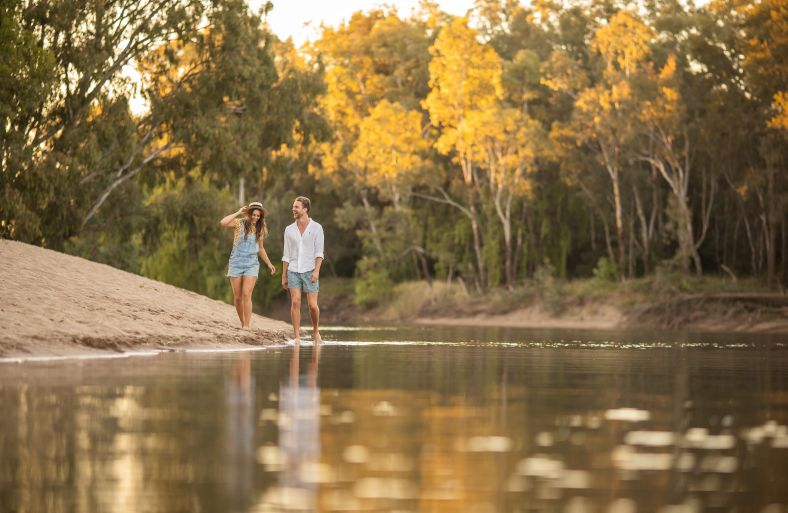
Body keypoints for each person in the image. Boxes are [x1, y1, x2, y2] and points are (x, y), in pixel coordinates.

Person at [220, 201, 276, 329]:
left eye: (258, 216)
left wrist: (269, 263)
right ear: (249, 214)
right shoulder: (239, 223)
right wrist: (239, 212)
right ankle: (242, 322)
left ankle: (247, 325)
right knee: (238, 297)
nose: (256, 218)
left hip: (252, 263)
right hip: (236, 262)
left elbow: (261, 248)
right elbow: (223, 222)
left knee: (246, 293)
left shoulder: (260, 228)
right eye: (254, 215)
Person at [281, 196, 324, 344]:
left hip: (310, 270)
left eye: (296, 207)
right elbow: (286, 254)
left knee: (312, 305)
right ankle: (297, 336)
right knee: (296, 302)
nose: (293, 209)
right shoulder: (289, 230)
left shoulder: (317, 228)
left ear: (305, 209)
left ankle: (316, 330)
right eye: (293, 206)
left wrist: (316, 271)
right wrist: (284, 275)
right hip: (293, 270)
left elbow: (319, 253)